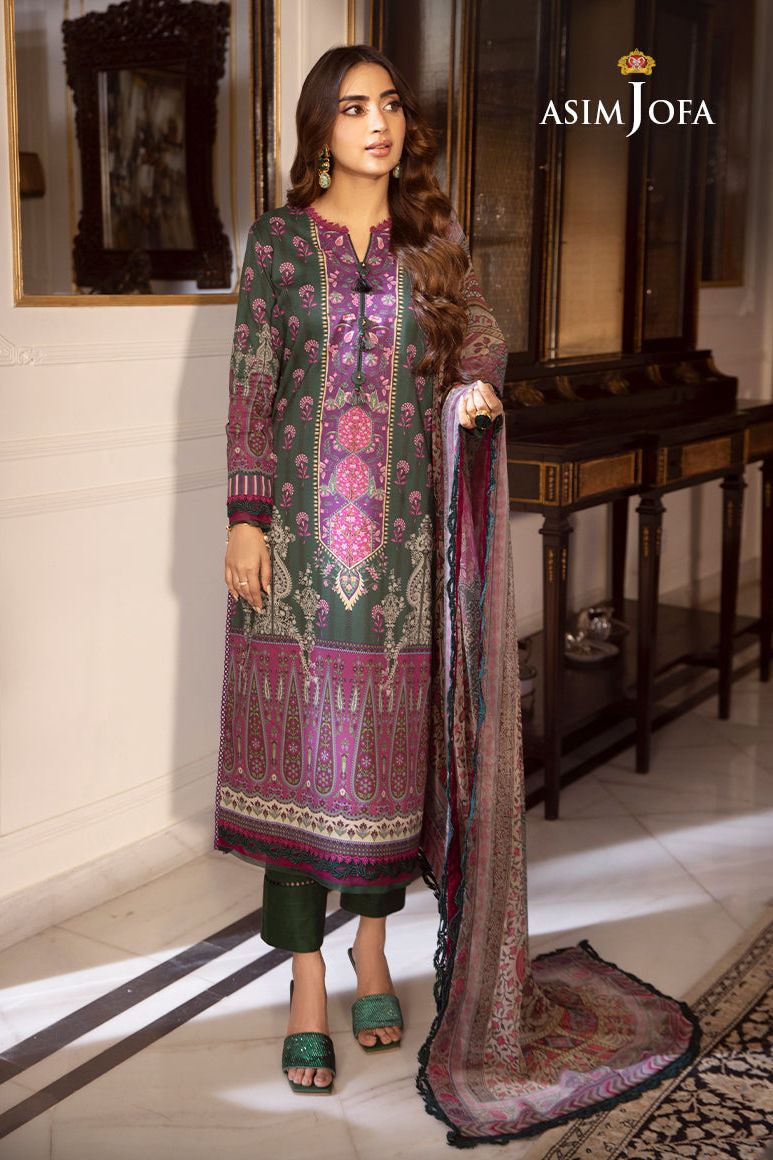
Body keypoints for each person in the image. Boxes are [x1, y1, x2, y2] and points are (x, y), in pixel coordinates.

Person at [215, 44, 699, 1145]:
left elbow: (478, 341)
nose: (376, 124)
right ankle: (304, 977)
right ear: (319, 128)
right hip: (293, 550)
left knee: (384, 768)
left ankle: (371, 952)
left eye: (388, 105)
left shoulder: (433, 241)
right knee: (298, 764)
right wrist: (244, 518)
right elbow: (251, 389)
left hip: (400, 549)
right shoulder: (280, 244)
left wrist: (476, 387)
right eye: (352, 108)